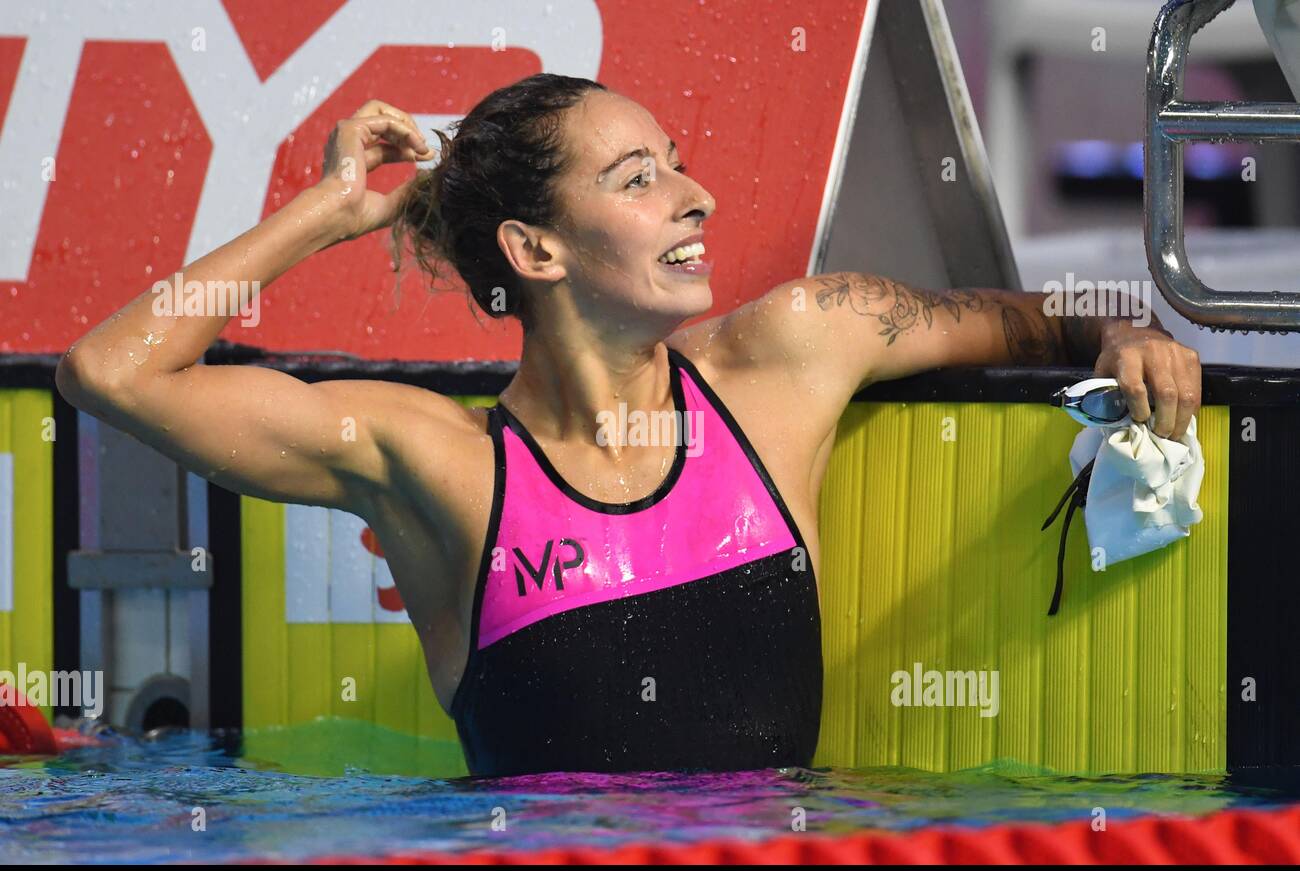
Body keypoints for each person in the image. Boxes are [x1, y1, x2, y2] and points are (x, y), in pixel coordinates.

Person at [55, 73, 1202, 777]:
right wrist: (329, 212)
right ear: (535, 251)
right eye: (640, 177)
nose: (694, 199)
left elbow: (1041, 316)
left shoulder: (790, 355)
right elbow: (110, 373)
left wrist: (1123, 339)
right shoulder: (438, 465)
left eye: (683, 168)